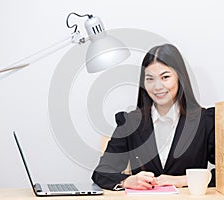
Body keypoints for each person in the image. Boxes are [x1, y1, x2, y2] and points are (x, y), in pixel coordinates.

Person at [92, 43, 215, 190]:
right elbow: (102, 172)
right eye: (150, 79)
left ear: (179, 78)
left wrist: (184, 180)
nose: (157, 87)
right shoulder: (130, 123)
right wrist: (127, 181)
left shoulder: (204, 121)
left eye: (165, 77)